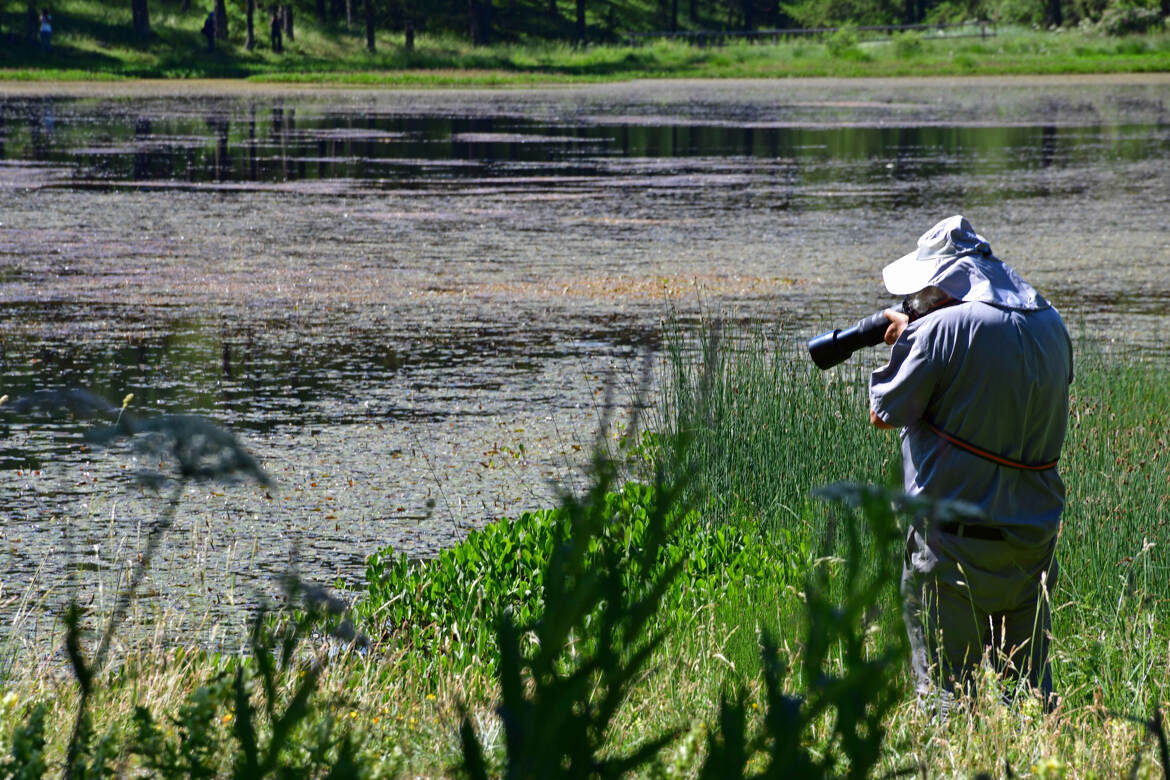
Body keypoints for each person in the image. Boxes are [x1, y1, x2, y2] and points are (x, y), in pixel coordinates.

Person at [867, 215, 1073, 710]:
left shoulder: (940, 330)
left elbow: (882, 413)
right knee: (1029, 705)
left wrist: (906, 339)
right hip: (1032, 546)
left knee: (946, 705)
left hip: (950, 552)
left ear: (940, 282)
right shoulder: (1051, 323)